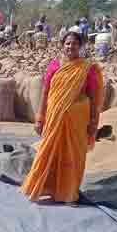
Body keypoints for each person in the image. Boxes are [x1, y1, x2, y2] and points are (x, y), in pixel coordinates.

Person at [21, 31, 104, 204]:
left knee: (73, 156)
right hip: (54, 116)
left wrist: (93, 122)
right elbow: (45, 92)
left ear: (80, 46)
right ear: (62, 45)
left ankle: (69, 194)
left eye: (74, 43)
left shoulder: (87, 68)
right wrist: (39, 118)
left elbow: (94, 96)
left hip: (78, 120)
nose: (70, 47)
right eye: (67, 43)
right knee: (48, 150)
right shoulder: (54, 65)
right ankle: (43, 188)